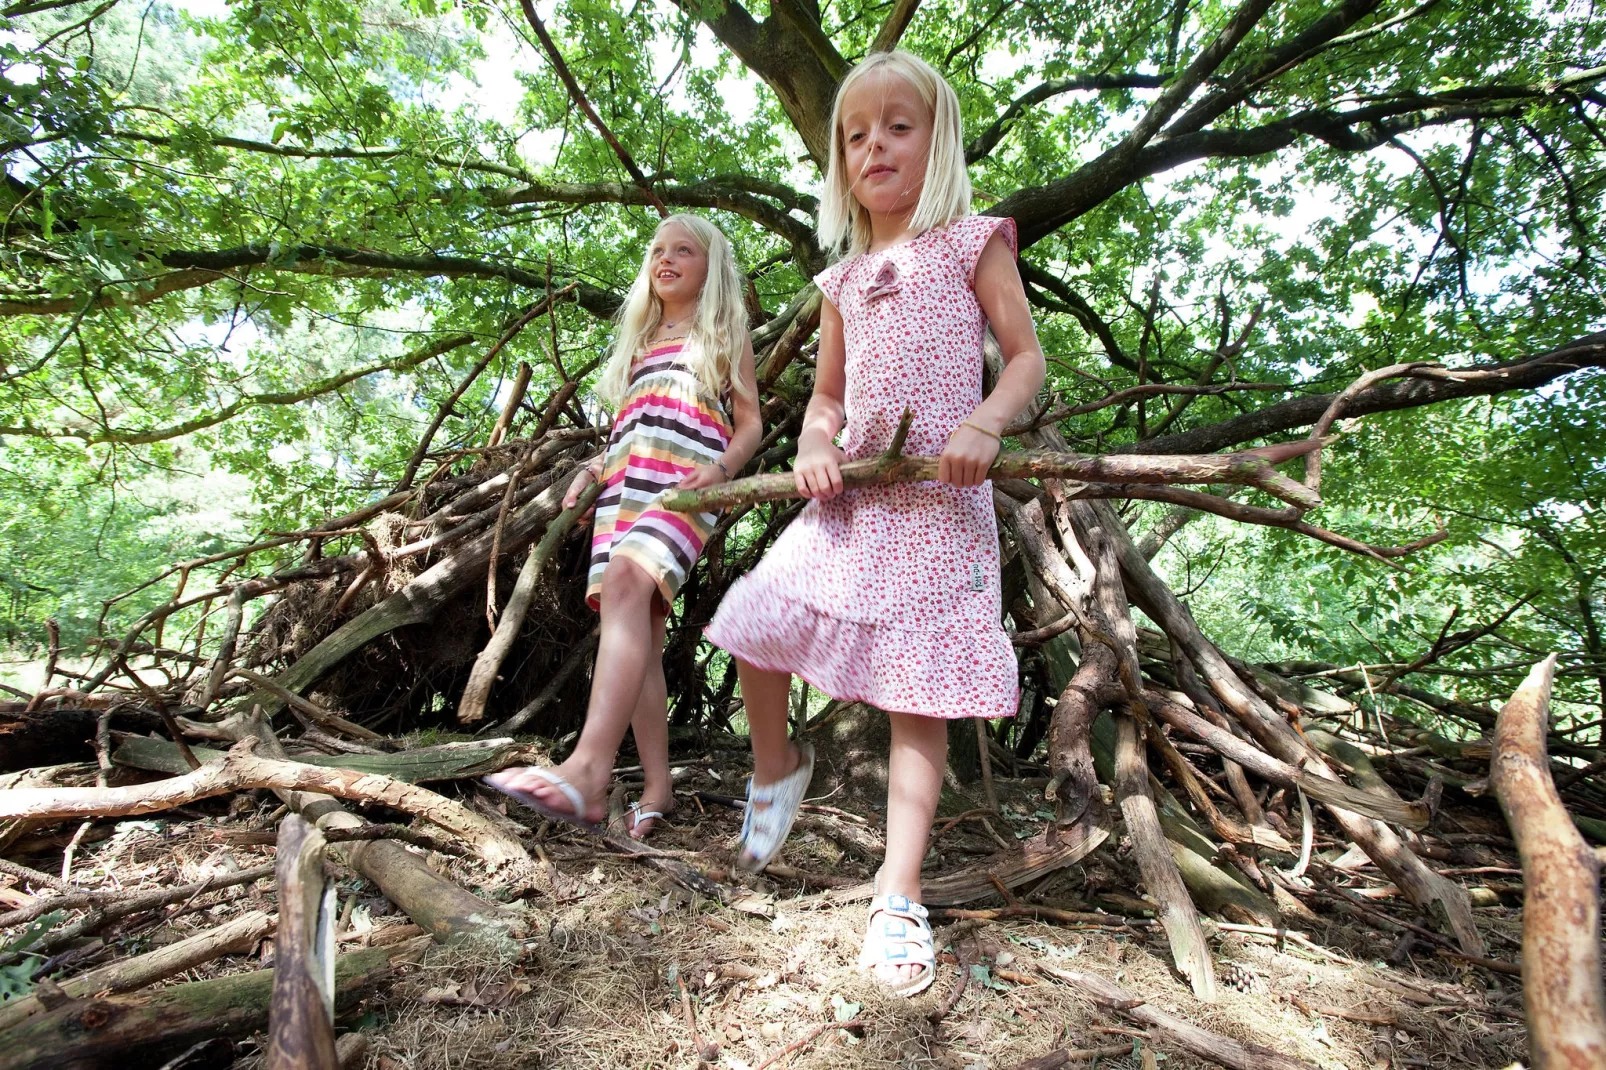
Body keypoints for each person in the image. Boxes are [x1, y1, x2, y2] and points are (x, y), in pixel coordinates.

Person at [704, 50, 1046, 996]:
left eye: (899, 126)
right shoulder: (845, 281)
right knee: (751, 620)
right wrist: (816, 443)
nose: (875, 146)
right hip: (852, 499)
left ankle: (898, 896)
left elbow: (1024, 361)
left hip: (937, 504)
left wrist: (984, 422)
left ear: (937, 143)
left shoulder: (972, 241)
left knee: (917, 696)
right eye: (856, 135)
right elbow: (822, 399)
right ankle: (778, 767)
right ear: (839, 163)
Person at [485, 214, 762, 840]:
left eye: (683, 251)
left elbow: (750, 425)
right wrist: (590, 472)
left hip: (685, 487)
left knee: (629, 589)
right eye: (658, 251)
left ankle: (588, 768)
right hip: (625, 489)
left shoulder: (723, 333)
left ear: (710, 266)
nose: (666, 260)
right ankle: (659, 788)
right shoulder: (640, 340)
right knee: (635, 619)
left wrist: (721, 470)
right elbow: (623, 428)